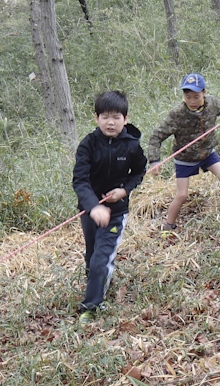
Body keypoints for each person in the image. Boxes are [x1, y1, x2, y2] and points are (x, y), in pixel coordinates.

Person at [146, 73, 220, 230]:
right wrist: (154, 160)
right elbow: (156, 136)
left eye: (196, 96)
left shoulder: (211, 104)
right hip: (184, 159)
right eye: (188, 97)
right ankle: (168, 226)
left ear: (204, 93)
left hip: (207, 154)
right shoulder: (177, 114)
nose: (192, 101)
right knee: (182, 195)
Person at [73, 91, 149, 324]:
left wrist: (124, 191)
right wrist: (93, 206)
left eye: (116, 117)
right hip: (89, 211)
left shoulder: (132, 146)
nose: (110, 122)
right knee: (91, 254)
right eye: (105, 116)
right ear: (96, 118)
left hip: (116, 213)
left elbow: (139, 172)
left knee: (101, 259)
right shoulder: (87, 144)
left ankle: (91, 306)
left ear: (125, 119)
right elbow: (80, 180)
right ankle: (96, 279)